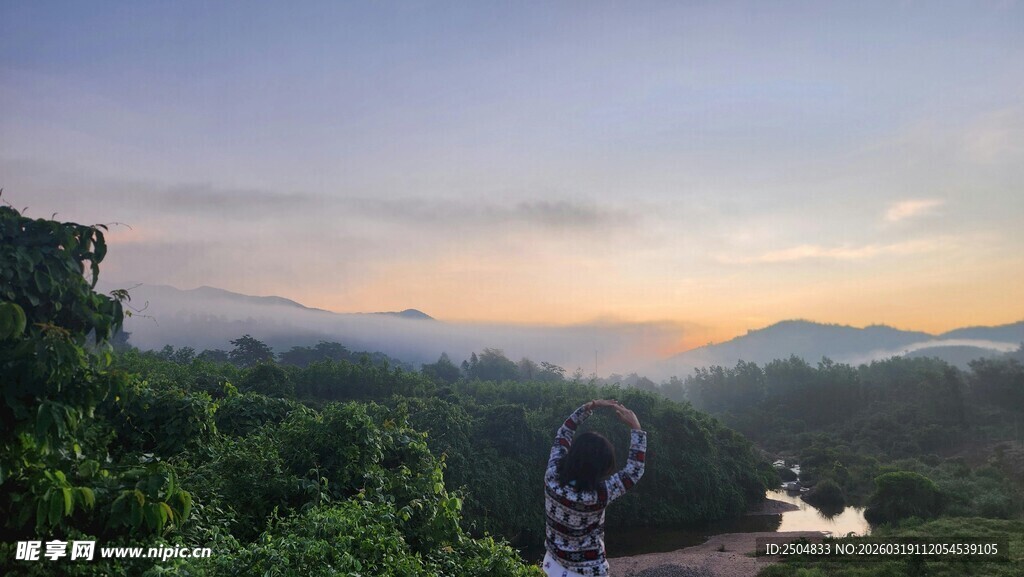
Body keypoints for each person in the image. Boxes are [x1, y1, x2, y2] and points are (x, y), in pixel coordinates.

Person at [543, 399, 647, 577]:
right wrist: (635, 427)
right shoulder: (599, 494)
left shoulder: (552, 477)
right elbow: (633, 472)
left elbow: (564, 433)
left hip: (553, 567)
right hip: (589, 572)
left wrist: (589, 407)